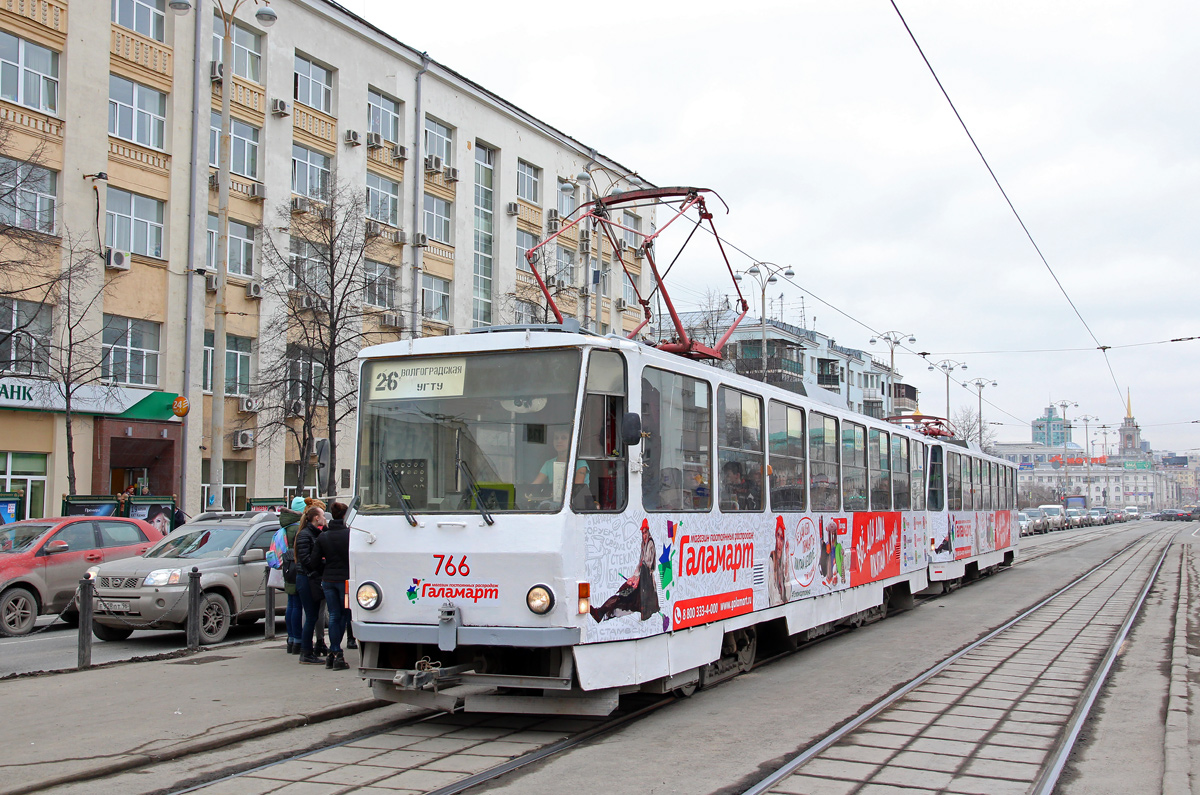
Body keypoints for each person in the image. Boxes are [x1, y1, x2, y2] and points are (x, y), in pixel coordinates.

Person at [314, 502, 351, 671]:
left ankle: (333, 651)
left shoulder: (324, 536)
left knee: (334, 614)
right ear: (345, 516)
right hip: (345, 580)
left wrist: (325, 567)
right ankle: (336, 651)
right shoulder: (350, 535)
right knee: (343, 615)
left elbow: (314, 560)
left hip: (328, 580)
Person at [295, 501, 328, 664]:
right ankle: (306, 651)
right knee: (311, 616)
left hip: (311, 577)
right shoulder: (305, 535)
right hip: (306, 578)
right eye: (322, 515)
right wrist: (323, 564)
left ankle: (309, 650)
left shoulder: (315, 533)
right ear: (316, 518)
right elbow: (306, 560)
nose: (324, 518)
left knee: (313, 615)